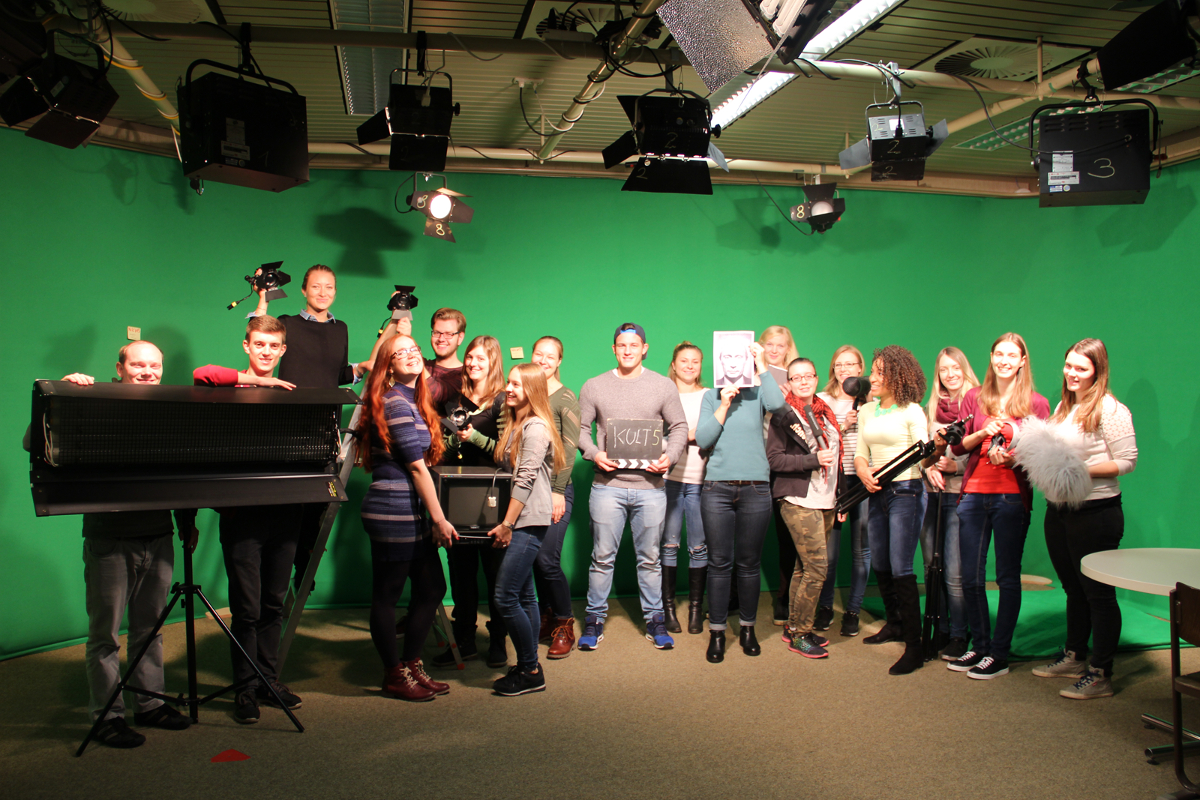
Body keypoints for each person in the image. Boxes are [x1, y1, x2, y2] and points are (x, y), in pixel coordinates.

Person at [49, 343, 196, 748]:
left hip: (158, 536)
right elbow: (34, 442)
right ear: (120, 368)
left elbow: (184, 470)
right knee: (106, 635)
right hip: (109, 540)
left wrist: (186, 522)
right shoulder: (93, 402)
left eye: (155, 365)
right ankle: (107, 717)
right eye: (138, 364)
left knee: (150, 629)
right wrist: (60, 394)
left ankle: (149, 704)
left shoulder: (167, 411)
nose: (147, 371)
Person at [250, 264, 397, 593]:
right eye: (316, 286)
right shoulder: (286, 324)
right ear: (304, 290)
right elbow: (258, 333)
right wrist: (262, 299)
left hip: (324, 429)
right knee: (287, 505)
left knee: (318, 504)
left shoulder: (340, 328)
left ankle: (303, 568)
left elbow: (338, 373)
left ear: (335, 291)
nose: (322, 292)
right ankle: (276, 575)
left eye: (329, 287)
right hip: (288, 428)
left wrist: (360, 367)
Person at [193, 315, 305, 724]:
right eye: (259, 344)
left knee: (273, 604)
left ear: (283, 350)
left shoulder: (290, 393)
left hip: (284, 514)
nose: (266, 352)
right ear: (247, 345)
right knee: (247, 607)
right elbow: (201, 373)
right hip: (243, 518)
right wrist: (258, 382)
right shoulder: (229, 387)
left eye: (273, 346)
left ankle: (267, 681)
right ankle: (244, 688)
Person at [1031, 339, 1136, 699]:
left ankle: (1100, 673)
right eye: (1069, 365)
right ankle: (1075, 656)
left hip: (1095, 512)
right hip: (1058, 510)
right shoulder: (1064, 406)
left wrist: (1079, 471)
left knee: (1098, 595)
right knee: (1073, 589)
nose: (1072, 373)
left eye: (1081, 368)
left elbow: (1127, 461)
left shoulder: (1111, 409)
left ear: (1097, 371)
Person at [357, 334, 457, 701]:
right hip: (392, 509)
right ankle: (393, 674)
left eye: (414, 349)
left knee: (432, 588)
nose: (411, 355)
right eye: (400, 353)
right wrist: (440, 519)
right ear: (389, 366)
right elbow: (416, 467)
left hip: (411, 510)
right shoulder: (395, 403)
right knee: (387, 595)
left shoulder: (414, 401)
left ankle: (412, 664)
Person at [945, 332, 1049, 680]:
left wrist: (1014, 458)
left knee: (1006, 577)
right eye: (999, 354)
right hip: (973, 495)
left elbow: (1043, 454)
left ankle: (999, 654)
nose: (1004, 361)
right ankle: (979, 646)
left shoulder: (1037, 403)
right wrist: (981, 433)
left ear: (1022, 361)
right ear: (991, 357)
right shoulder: (974, 397)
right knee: (970, 577)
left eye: (1011, 355)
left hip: (1011, 498)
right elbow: (958, 447)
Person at [577, 323, 687, 651]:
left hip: (650, 488)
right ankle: (594, 619)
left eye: (634, 345)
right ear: (614, 349)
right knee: (601, 557)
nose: (627, 350)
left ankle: (655, 620)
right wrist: (595, 454)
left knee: (650, 558)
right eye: (622, 345)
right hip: (606, 487)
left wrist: (670, 457)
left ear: (644, 349)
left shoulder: (663, 385)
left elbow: (679, 427)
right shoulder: (594, 385)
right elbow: (580, 430)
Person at [696, 338, 786, 662]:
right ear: (721, 361)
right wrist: (723, 404)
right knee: (719, 564)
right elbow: (703, 438)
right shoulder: (711, 396)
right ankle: (717, 632)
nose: (734, 362)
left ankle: (748, 628)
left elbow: (778, 406)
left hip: (756, 488)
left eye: (740, 356)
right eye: (728, 357)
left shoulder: (759, 392)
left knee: (749, 564)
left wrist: (763, 365)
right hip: (717, 489)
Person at [487, 363, 567, 696]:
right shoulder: (517, 424)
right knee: (524, 596)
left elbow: (525, 479)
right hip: (522, 518)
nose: (509, 388)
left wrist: (507, 524)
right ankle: (529, 665)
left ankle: (530, 669)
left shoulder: (536, 427)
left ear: (532, 390)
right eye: (509, 382)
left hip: (527, 520)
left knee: (505, 597)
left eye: (517, 385)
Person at [432, 335, 511, 669]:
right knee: (461, 572)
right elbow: (442, 450)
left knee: (495, 574)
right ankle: (463, 639)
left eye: (481, 358)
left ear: (493, 362)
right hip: (457, 496)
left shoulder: (504, 400)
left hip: (493, 497)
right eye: (470, 358)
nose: (474, 364)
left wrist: (474, 437)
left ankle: (498, 640)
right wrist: (454, 439)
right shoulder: (455, 400)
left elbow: (507, 455)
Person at [854, 345, 929, 675]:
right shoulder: (867, 410)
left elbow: (923, 452)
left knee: (901, 566)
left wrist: (936, 449)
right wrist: (862, 471)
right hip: (877, 493)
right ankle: (895, 624)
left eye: (880, 372)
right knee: (881, 563)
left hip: (906, 492)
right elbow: (861, 452)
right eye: (873, 370)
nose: (872, 377)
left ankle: (915, 646)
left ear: (898, 376)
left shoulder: (912, 411)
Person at [767, 358, 841, 659]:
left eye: (808, 375)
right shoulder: (783, 415)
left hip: (826, 499)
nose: (804, 381)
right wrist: (812, 460)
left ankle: (795, 626)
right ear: (790, 382)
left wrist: (840, 497)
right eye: (797, 377)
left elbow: (837, 458)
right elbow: (774, 460)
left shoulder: (825, 413)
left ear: (816, 378)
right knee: (817, 568)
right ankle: (800, 634)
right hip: (798, 499)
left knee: (804, 567)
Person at [919, 347, 979, 661]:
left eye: (955, 368)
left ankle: (958, 633)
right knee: (932, 568)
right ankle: (939, 628)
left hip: (960, 497)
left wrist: (956, 467)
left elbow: (981, 453)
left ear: (964, 370)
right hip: (930, 496)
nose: (950, 374)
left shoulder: (977, 404)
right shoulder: (930, 409)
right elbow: (922, 454)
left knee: (955, 572)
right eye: (944, 369)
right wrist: (928, 467)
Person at [528, 337, 581, 658]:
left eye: (550, 356)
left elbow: (570, 450)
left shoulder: (566, 398)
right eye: (539, 354)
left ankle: (564, 623)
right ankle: (546, 615)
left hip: (555, 489)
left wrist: (558, 491)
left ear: (559, 361)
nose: (544, 360)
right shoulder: (526, 393)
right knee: (533, 557)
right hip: (527, 491)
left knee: (547, 558)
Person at [814, 345, 872, 637]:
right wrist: (842, 425)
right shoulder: (822, 399)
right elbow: (815, 440)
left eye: (850, 364)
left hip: (863, 479)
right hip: (833, 480)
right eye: (839, 364)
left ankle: (853, 610)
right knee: (829, 551)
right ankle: (825, 606)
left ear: (860, 368)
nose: (844, 369)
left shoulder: (872, 401)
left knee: (861, 548)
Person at [663, 341, 709, 634]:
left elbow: (713, 433)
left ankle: (695, 609)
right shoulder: (663, 394)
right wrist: (688, 435)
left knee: (699, 547)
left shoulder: (710, 396)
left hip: (701, 480)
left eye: (695, 361)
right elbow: (652, 438)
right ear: (674, 364)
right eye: (684, 361)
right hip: (668, 480)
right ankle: (668, 609)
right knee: (669, 545)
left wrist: (689, 435)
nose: (690, 366)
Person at [759, 326, 799, 626]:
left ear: (788, 348)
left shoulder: (797, 378)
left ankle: (784, 599)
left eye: (780, 345)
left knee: (788, 536)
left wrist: (789, 399)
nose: (774, 350)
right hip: (756, 462)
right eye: (769, 344)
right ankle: (734, 597)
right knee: (746, 534)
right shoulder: (751, 375)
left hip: (784, 464)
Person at [426, 308, 467, 409]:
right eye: (437, 332)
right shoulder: (423, 366)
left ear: (460, 338)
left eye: (449, 334)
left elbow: (438, 395)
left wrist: (413, 356)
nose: (441, 339)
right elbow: (385, 353)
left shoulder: (466, 375)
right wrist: (395, 319)